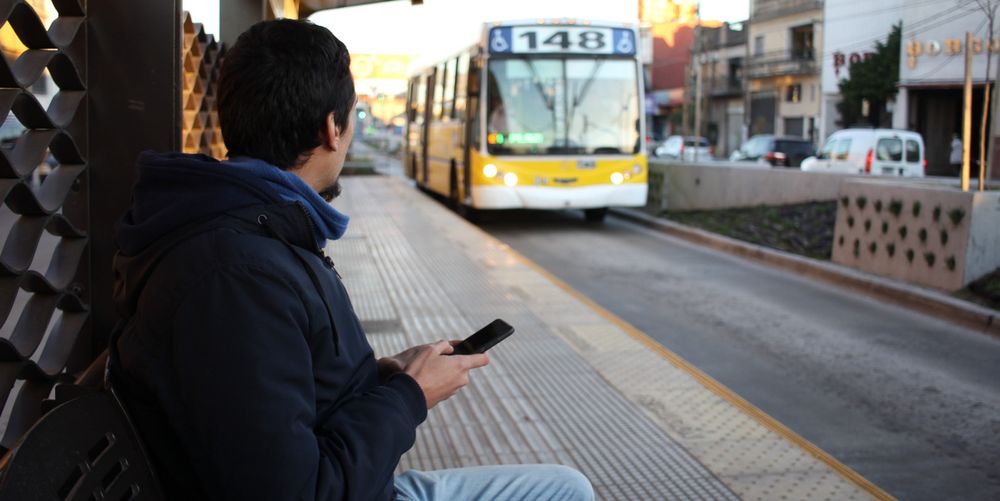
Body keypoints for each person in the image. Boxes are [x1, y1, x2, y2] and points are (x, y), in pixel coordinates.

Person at [110, 19, 593, 501]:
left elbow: (274, 399)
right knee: (565, 493)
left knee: (566, 485)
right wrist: (410, 398)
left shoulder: (247, 233)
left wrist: (383, 378)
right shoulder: (236, 275)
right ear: (332, 128)